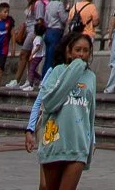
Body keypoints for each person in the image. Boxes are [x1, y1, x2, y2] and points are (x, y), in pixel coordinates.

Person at [24, 31, 96, 190]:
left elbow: (90, 112)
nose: (82, 55)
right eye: (78, 50)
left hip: (78, 144)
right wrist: (74, 70)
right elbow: (48, 103)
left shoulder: (91, 77)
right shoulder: (57, 71)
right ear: (69, 52)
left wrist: (92, 140)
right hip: (55, 141)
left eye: (86, 51)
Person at [40, 0, 69, 80]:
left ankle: (43, 77)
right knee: (53, 57)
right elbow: (64, 19)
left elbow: (45, 19)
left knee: (47, 57)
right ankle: (47, 79)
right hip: (56, 32)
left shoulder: (49, 4)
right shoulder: (59, 4)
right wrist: (67, 11)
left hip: (48, 31)